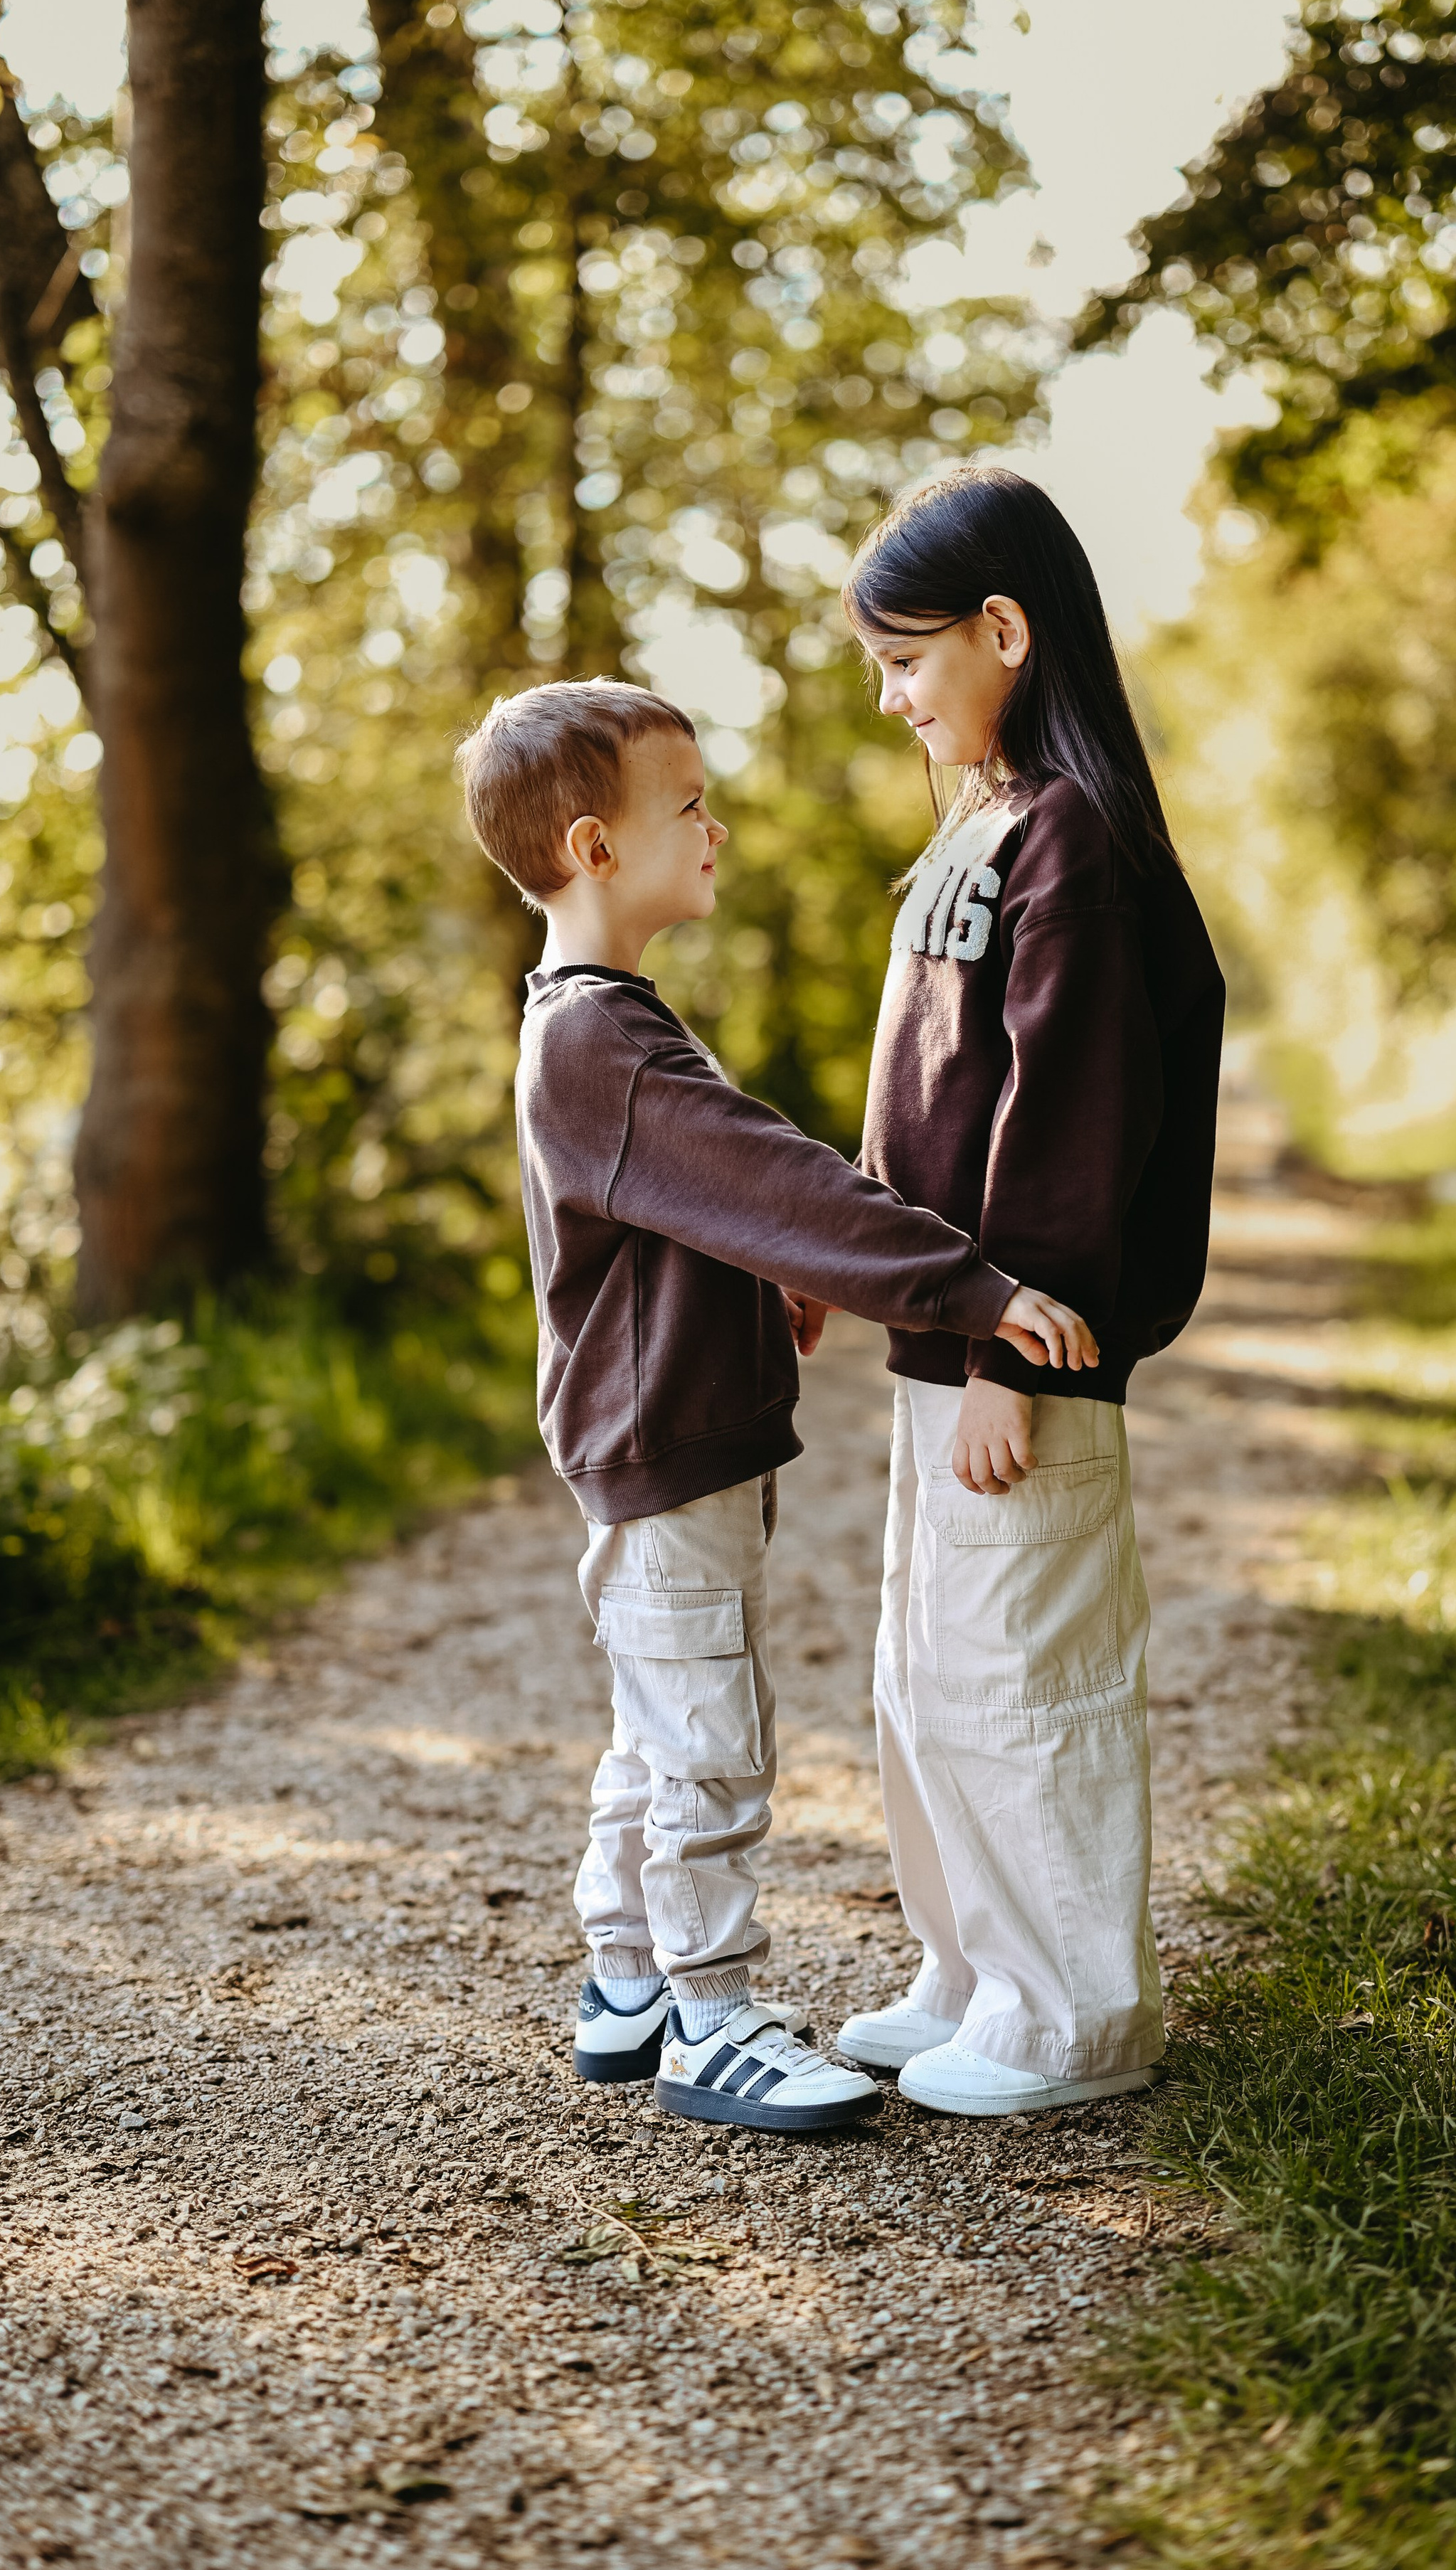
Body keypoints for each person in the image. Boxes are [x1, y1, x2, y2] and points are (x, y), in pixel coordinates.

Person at [455, 676, 1098, 2135]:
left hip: (668, 1441)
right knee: (706, 1743)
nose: (717, 827)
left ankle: (623, 1986)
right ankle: (711, 2015)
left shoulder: (601, 1020)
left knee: (651, 1727)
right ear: (593, 847)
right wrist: (966, 1287)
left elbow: (697, 1203)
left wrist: (769, 1285)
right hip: (665, 1453)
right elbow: (766, 1175)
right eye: (686, 806)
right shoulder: (596, 1040)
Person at [811, 464, 1226, 2117]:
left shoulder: (1075, 840)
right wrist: (846, 1264)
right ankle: (972, 1964)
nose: (890, 693)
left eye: (907, 657)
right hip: (940, 1345)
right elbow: (915, 1094)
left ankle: (1072, 2016)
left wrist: (1013, 1338)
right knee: (928, 1675)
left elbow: (1067, 1115)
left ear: (1004, 629)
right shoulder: (975, 826)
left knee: (1027, 1679)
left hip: (1019, 1353)